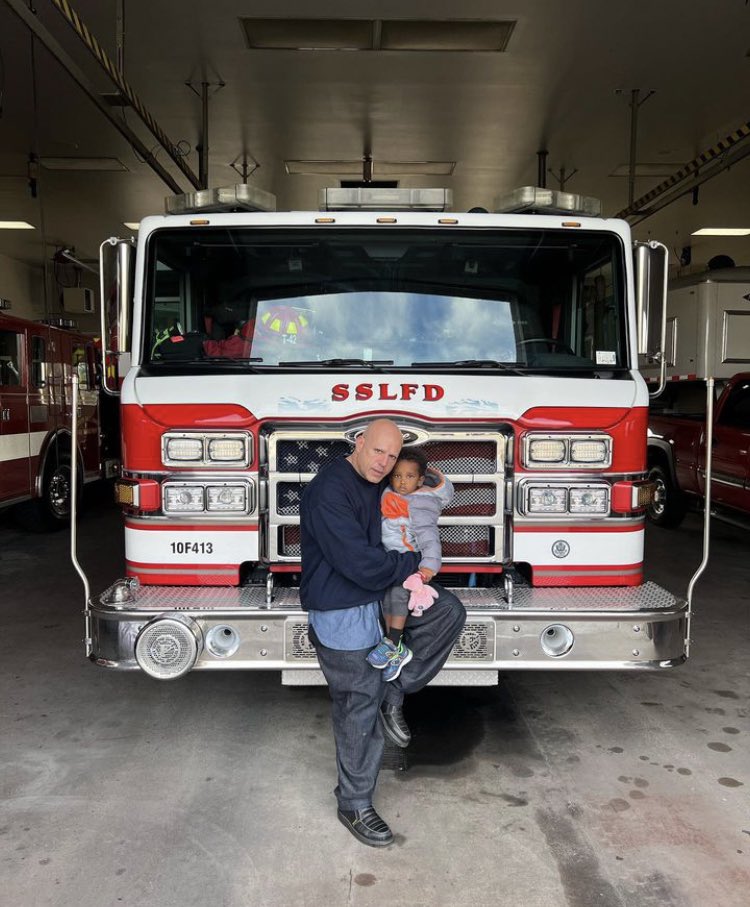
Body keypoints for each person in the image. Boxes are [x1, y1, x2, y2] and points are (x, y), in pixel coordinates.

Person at [300, 419, 466, 848]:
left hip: (379, 589)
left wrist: (428, 481)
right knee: (359, 700)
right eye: (378, 452)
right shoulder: (330, 492)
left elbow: (422, 497)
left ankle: (395, 687)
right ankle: (353, 803)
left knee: (448, 611)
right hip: (341, 600)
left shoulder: (379, 482)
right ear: (358, 443)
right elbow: (362, 564)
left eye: (392, 457)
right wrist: (414, 567)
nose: (385, 463)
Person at [366, 447, 454, 681]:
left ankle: (393, 643)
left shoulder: (420, 503)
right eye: (397, 476)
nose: (402, 482)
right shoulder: (389, 494)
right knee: (386, 599)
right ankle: (394, 649)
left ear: (421, 480)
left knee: (397, 596)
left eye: (409, 476)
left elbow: (429, 537)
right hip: (389, 559)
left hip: (407, 562)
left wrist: (427, 569)